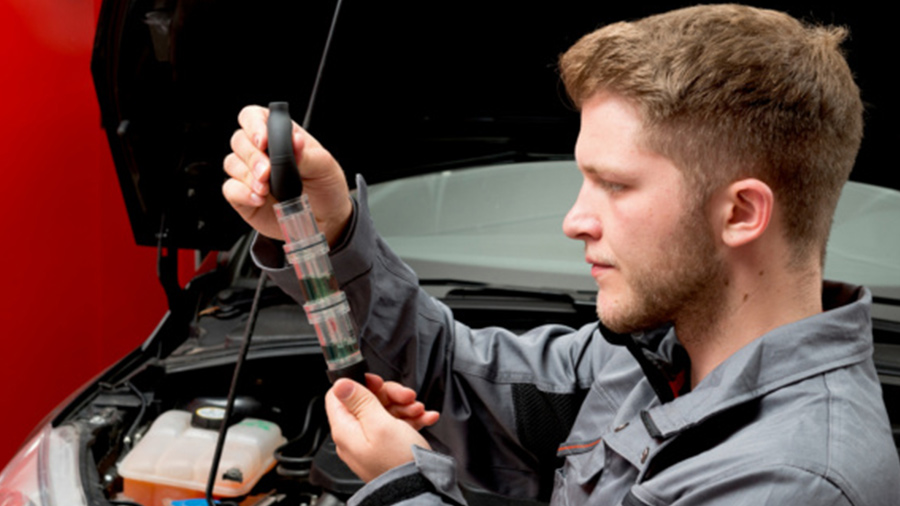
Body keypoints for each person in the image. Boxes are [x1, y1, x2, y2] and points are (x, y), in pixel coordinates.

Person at [223, 4, 900, 505]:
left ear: (741, 213)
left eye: (615, 185)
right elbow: (458, 377)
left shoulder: (794, 480)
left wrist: (405, 488)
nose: (575, 220)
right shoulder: (652, 355)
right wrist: (332, 229)